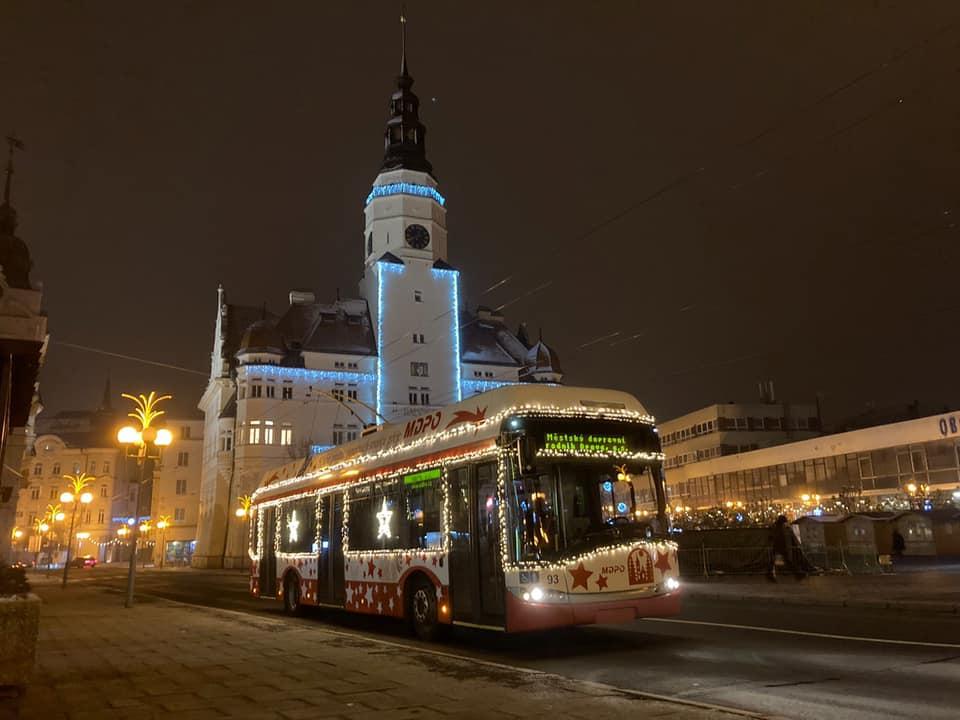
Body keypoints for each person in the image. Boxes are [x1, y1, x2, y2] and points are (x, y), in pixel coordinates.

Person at [767, 515, 814, 581]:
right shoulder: (781, 527)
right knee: (787, 561)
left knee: (774, 561)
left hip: (777, 546)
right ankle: (798, 574)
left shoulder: (776, 527)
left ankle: (770, 575)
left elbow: (772, 536)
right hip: (780, 546)